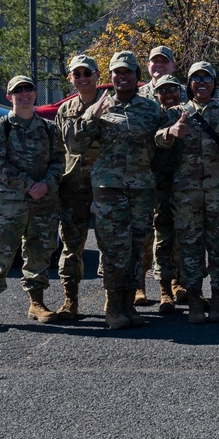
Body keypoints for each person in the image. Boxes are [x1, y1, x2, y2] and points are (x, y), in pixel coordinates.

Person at [72, 51, 166, 329]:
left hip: (141, 189)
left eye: (128, 72)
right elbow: (75, 146)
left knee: (137, 248)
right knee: (114, 250)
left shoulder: (151, 109)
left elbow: (161, 145)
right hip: (108, 189)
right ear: (110, 77)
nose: (122, 77)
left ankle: (129, 305)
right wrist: (91, 118)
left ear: (137, 75)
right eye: (117, 72)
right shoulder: (99, 106)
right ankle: (113, 308)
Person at [0, 76, 65, 331]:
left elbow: (60, 162)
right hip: (7, 204)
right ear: (10, 97)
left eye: (28, 89)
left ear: (35, 94)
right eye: (18, 91)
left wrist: (46, 184)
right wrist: (30, 185)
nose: (24, 94)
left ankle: (36, 303)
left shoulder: (49, 129)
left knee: (40, 253)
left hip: (43, 203)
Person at [155, 61, 219, 324]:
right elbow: (156, 140)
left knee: (218, 246)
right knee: (190, 247)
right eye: (196, 78)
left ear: (214, 82)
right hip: (186, 194)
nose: (201, 83)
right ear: (189, 84)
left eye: (206, 78)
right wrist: (170, 132)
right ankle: (193, 300)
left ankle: (216, 300)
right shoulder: (176, 113)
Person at [53, 55, 101, 320]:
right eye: (77, 74)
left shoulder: (110, 105)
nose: (82, 78)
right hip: (73, 186)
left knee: (110, 247)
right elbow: (60, 148)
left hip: (106, 186)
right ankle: (70, 300)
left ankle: (112, 300)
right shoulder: (65, 110)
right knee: (72, 245)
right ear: (71, 78)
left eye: (87, 73)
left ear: (97, 75)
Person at [146, 75, 184, 313]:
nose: (168, 94)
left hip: (185, 185)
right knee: (162, 239)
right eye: (163, 90)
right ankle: (164, 291)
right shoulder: (153, 116)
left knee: (185, 238)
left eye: (173, 89)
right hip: (160, 186)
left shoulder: (187, 112)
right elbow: (152, 141)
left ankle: (180, 282)